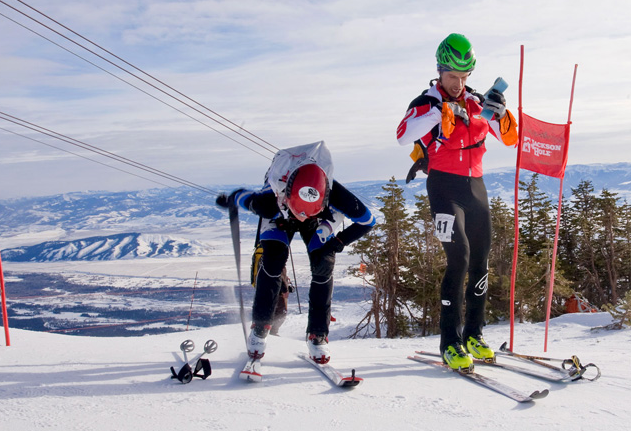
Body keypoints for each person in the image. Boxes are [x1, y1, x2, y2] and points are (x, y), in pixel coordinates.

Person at [396, 33, 518, 372]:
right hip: (444, 188)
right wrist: (440, 113)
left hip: (475, 187)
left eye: (464, 78)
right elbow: (403, 134)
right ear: (440, 70)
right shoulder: (426, 102)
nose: (458, 84)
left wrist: (501, 113)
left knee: (480, 259)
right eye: (453, 77)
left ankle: (474, 335)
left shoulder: (476, 101)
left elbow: (509, 139)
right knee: (459, 257)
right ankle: (450, 340)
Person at [216, 140, 374, 367]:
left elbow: (367, 221)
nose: (301, 219)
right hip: (279, 217)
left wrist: (337, 243)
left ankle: (318, 334)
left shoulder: (336, 194)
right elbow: (243, 196)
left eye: (306, 214)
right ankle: (260, 328)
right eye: (298, 213)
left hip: (318, 219)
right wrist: (230, 199)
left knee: (323, 267)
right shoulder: (267, 201)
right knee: (272, 262)